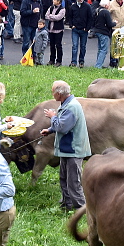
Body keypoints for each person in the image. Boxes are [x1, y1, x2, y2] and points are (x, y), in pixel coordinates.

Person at [40, 80, 90, 211]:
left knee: (74, 182)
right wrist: (50, 130)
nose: (52, 94)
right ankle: (67, 205)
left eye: (53, 91)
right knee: (64, 179)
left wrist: (52, 117)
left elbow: (63, 127)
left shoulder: (72, 106)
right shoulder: (67, 104)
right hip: (67, 150)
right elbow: (64, 123)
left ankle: (82, 209)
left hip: (73, 150)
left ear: (59, 93)